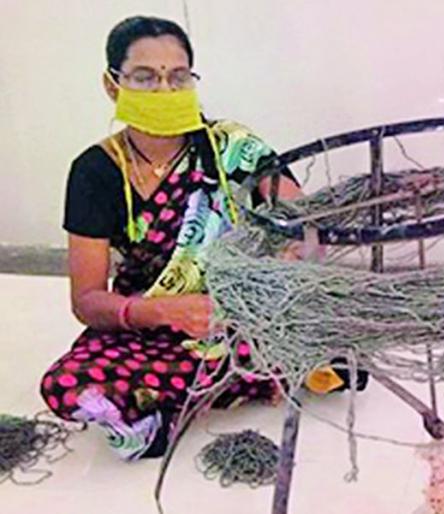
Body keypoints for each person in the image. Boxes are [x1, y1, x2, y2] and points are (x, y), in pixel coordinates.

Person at [39, 15, 365, 460]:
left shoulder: (230, 145)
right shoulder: (95, 172)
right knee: (69, 387)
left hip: (241, 311)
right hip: (150, 319)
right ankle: (261, 376)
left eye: (177, 77)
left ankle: (190, 395)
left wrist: (292, 256)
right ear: (112, 85)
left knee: (336, 333)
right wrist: (164, 311)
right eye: (145, 77)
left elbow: (304, 223)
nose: (165, 90)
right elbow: (88, 301)